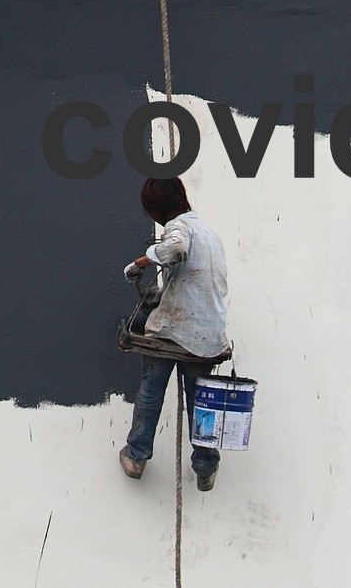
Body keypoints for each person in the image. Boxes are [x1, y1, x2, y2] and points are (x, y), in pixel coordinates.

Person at [117, 177, 230, 491]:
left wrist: (141, 262)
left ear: (158, 207)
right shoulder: (210, 234)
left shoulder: (179, 228)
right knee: (200, 399)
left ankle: (137, 456)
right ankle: (206, 465)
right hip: (208, 335)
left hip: (175, 330)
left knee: (152, 390)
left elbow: (176, 248)